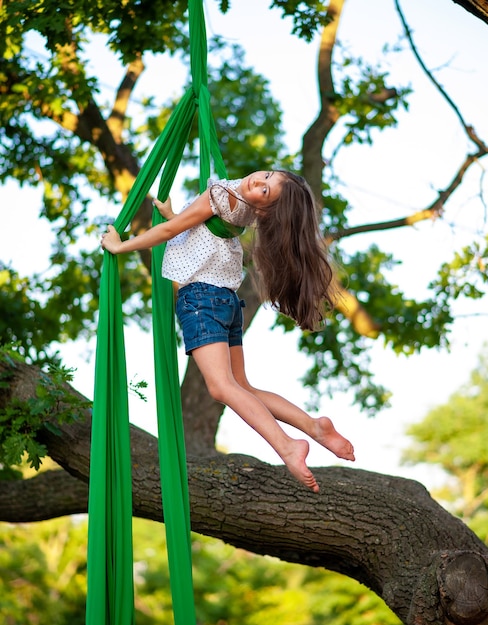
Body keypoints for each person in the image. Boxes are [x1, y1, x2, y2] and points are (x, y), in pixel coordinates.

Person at [101, 170, 355, 492]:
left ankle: (288, 445)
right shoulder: (243, 208)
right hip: (227, 302)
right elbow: (204, 234)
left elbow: (168, 232)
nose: (257, 184)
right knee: (242, 386)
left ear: (264, 210)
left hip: (201, 300)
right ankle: (313, 426)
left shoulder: (222, 195)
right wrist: (175, 214)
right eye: (266, 176)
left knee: (221, 388)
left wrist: (120, 246)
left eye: (266, 191)